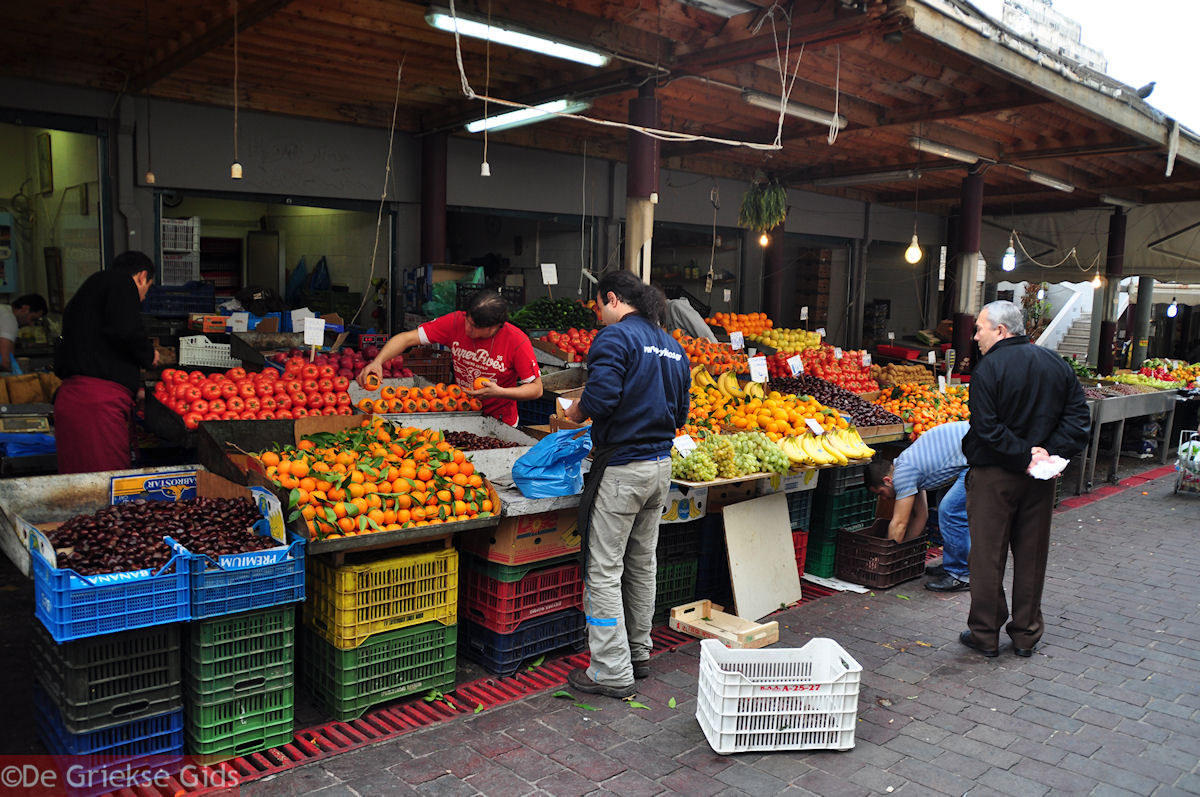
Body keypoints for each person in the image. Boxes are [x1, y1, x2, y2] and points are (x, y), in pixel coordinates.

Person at [561, 271, 691, 699]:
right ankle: (639, 652)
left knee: (603, 570)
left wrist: (572, 415)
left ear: (613, 299)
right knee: (641, 563)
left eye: (599, 306)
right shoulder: (673, 347)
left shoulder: (614, 339)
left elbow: (600, 399)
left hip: (621, 469)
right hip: (659, 468)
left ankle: (611, 670)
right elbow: (681, 416)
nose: (598, 315)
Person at [960, 300, 1090, 658]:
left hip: (994, 475)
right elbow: (1078, 418)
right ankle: (1026, 634)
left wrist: (1023, 454)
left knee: (987, 557)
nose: (976, 336)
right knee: (1032, 555)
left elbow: (986, 427)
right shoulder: (1055, 363)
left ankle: (985, 634)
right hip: (1040, 478)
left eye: (980, 329)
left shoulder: (989, 369)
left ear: (1001, 330)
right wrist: (1048, 453)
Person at [358, 290, 542, 425]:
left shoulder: (517, 341)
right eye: (468, 321)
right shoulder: (455, 322)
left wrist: (499, 392)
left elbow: (536, 389)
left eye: (475, 326)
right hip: (460, 409)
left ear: (494, 327)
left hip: (499, 420)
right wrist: (378, 361)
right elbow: (407, 338)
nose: (468, 329)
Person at [54, 251, 158, 474]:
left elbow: (107, 344)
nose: (143, 298)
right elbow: (128, 330)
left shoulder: (89, 292)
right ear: (142, 276)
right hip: (97, 406)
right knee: (105, 483)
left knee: (77, 482)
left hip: (73, 399)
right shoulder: (121, 283)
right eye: (146, 289)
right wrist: (149, 355)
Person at [866, 420, 971, 591]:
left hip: (977, 455)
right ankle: (953, 566)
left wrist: (884, 560)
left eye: (880, 493)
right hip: (970, 450)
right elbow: (922, 517)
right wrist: (903, 557)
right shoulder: (906, 466)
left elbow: (899, 523)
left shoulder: (903, 474)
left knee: (950, 511)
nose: (883, 499)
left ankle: (962, 575)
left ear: (887, 480)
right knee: (943, 501)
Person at [0, 293, 48, 370]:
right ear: (25, 309)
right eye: (33, 319)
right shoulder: (9, 318)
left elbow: (10, 356)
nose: (31, 324)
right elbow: (5, 362)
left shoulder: (4, 311)